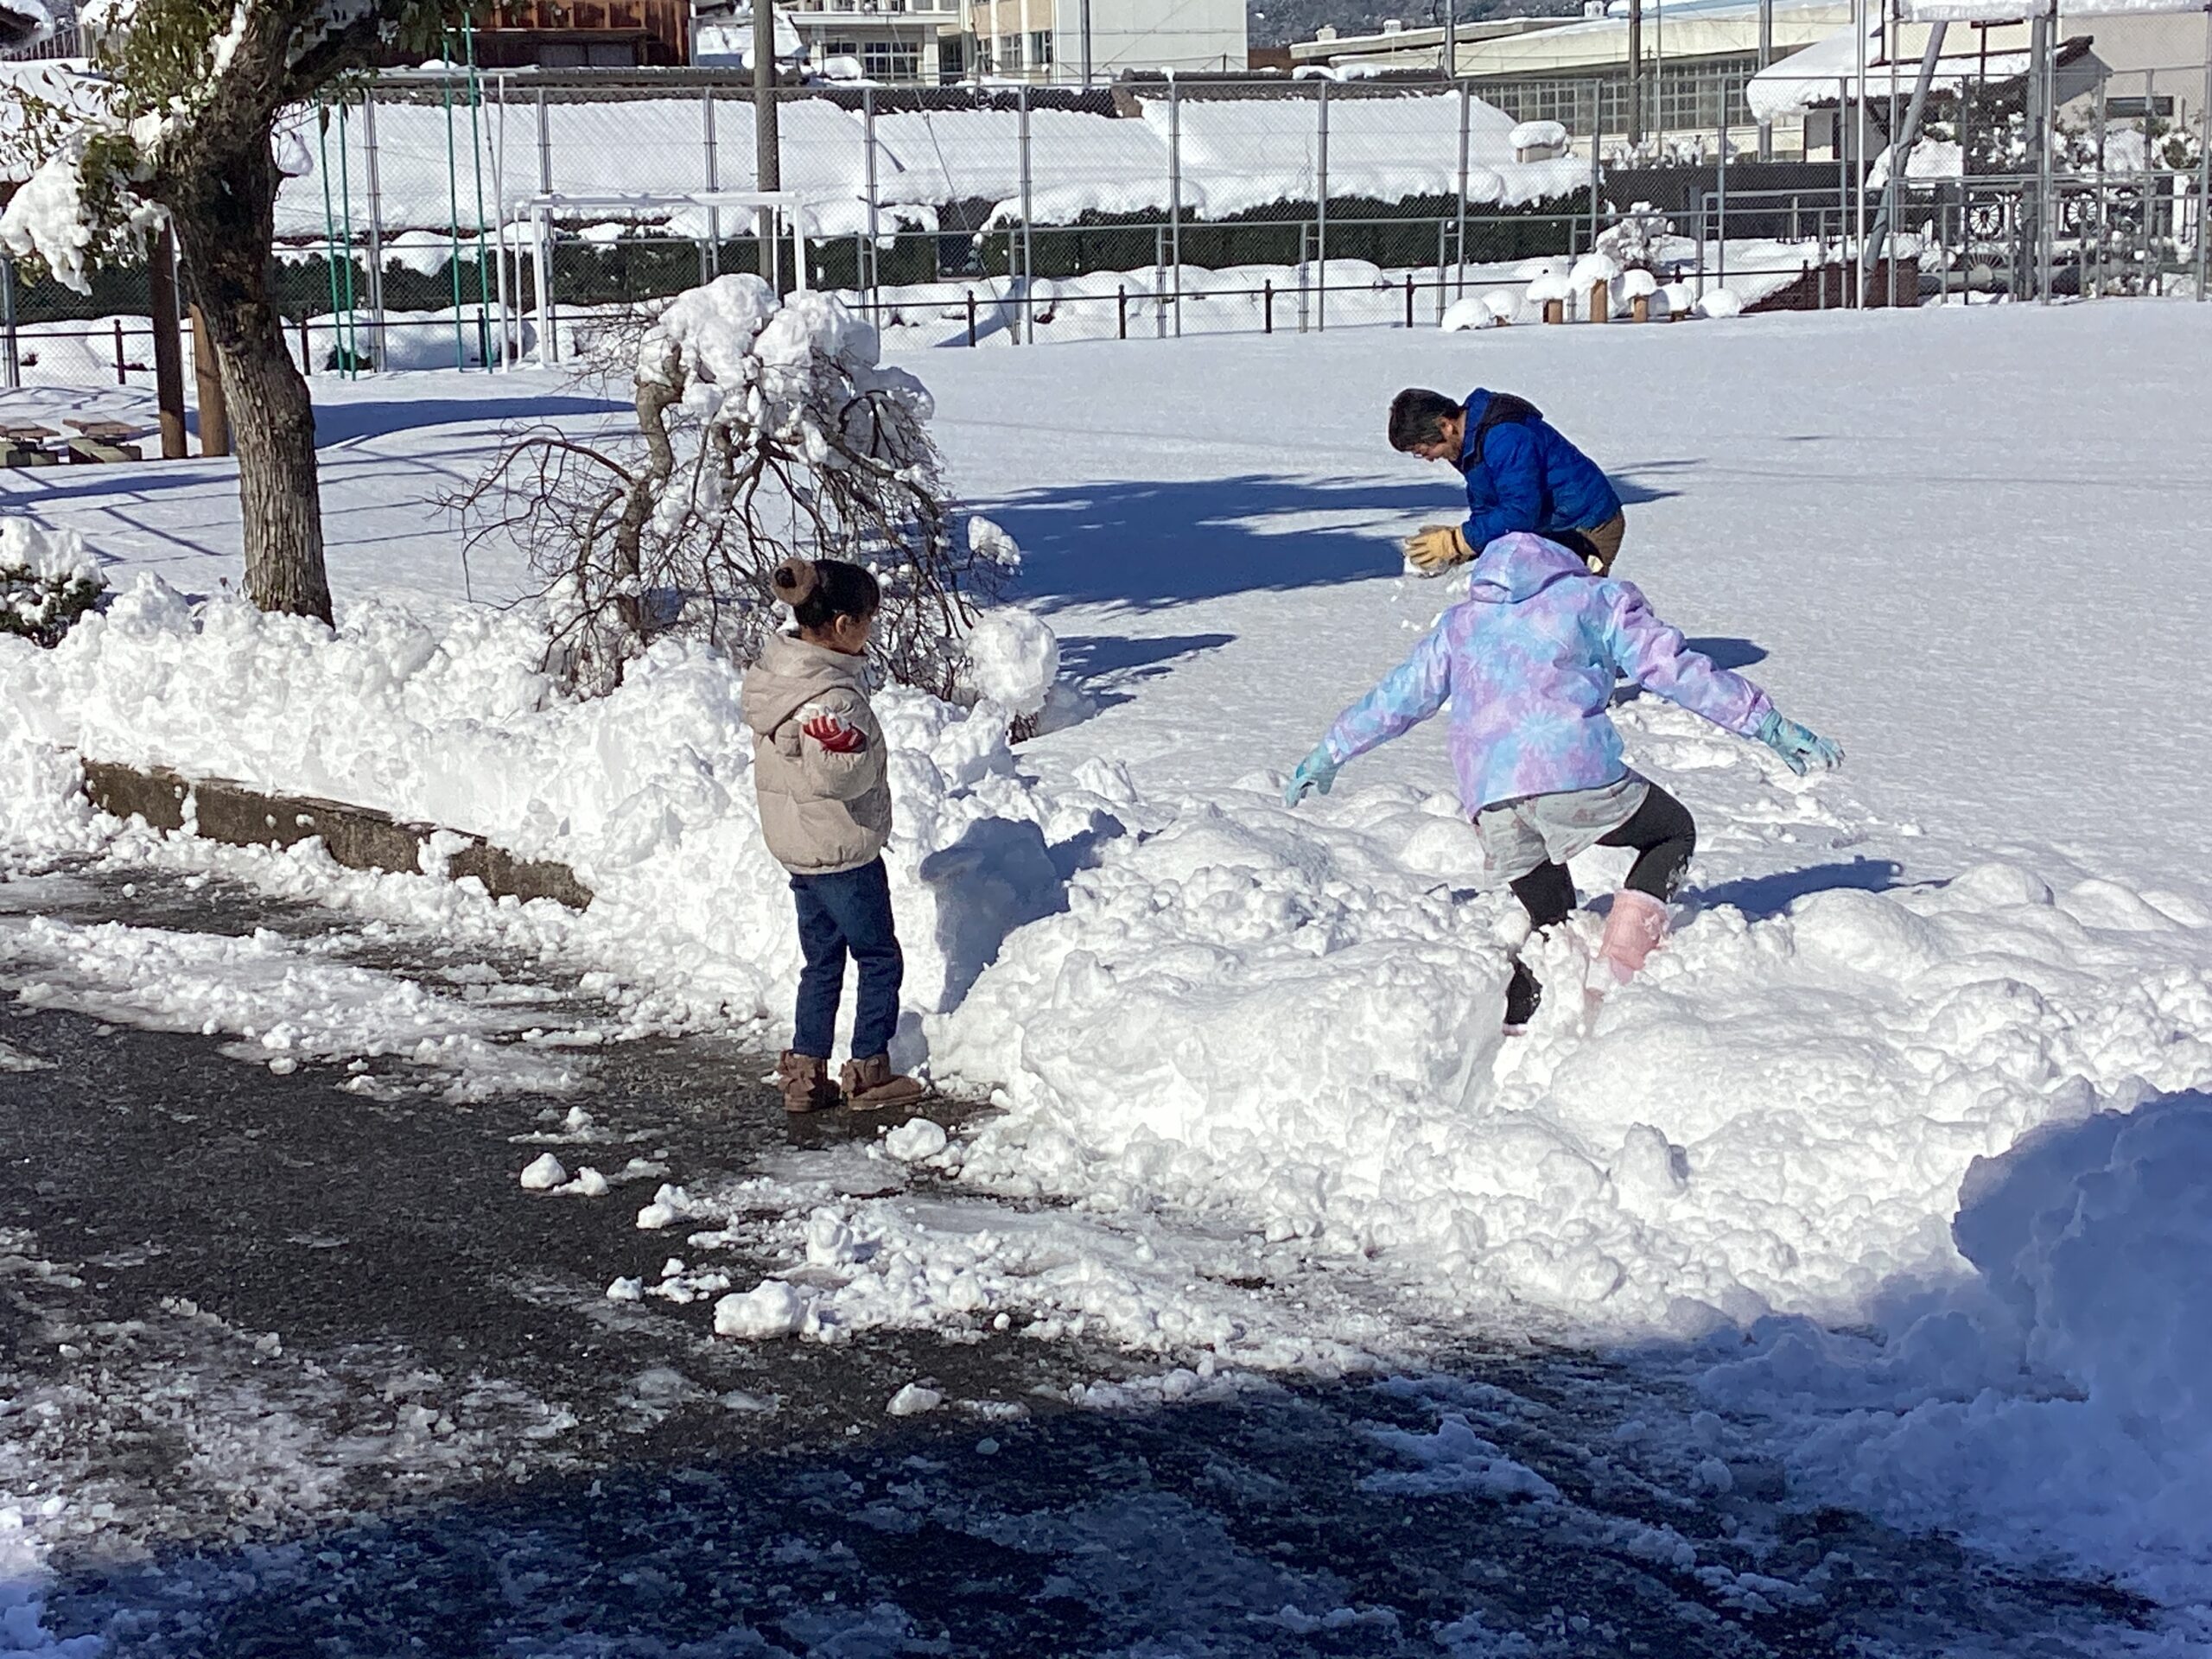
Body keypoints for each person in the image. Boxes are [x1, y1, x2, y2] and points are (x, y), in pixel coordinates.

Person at [1281, 531, 1840, 1032]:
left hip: (1491, 800)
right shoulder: (1595, 599)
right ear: (1577, 559)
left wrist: (1331, 751)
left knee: (1553, 921)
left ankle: (1516, 1024)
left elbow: (1398, 698)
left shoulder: (1463, 622)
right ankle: (1619, 973)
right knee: (1671, 833)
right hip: (1574, 775)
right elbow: (1675, 670)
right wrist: (1764, 723)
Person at [741, 556, 927, 1114]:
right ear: (845, 624)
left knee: (821, 961)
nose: (872, 629)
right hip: (843, 851)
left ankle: (804, 1075)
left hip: (800, 850)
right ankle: (869, 1071)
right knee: (877, 956)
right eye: (869, 619)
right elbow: (838, 779)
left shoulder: (778, 677)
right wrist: (856, 749)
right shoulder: (833, 697)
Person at [1389, 386, 1629, 577]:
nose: (1430, 459)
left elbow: (1520, 512)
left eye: (1424, 450)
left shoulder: (1505, 438)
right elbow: (1490, 509)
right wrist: (1462, 549)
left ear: (1445, 425)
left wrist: (1458, 541)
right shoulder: (1469, 445)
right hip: (1549, 527)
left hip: (1586, 526)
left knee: (1565, 610)